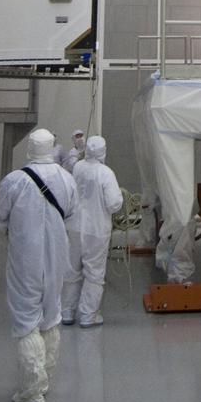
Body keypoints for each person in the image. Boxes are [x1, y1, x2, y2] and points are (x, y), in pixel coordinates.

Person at [0, 127, 77, 402]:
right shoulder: (66, 178)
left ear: (29, 148)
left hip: (25, 256)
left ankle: (30, 391)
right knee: (51, 314)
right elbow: (72, 212)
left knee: (26, 318)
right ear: (52, 148)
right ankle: (45, 379)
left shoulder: (15, 180)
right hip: (57, 254)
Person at [61, 135, 123, 328]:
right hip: (96, 229)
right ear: (104, 151)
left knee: (71, 270)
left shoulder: (78, 167)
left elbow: (70, 171)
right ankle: (88, 315)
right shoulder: (106, 173)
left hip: (73, 226)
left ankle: (67, 312)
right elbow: (114, 204)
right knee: (94, 272)